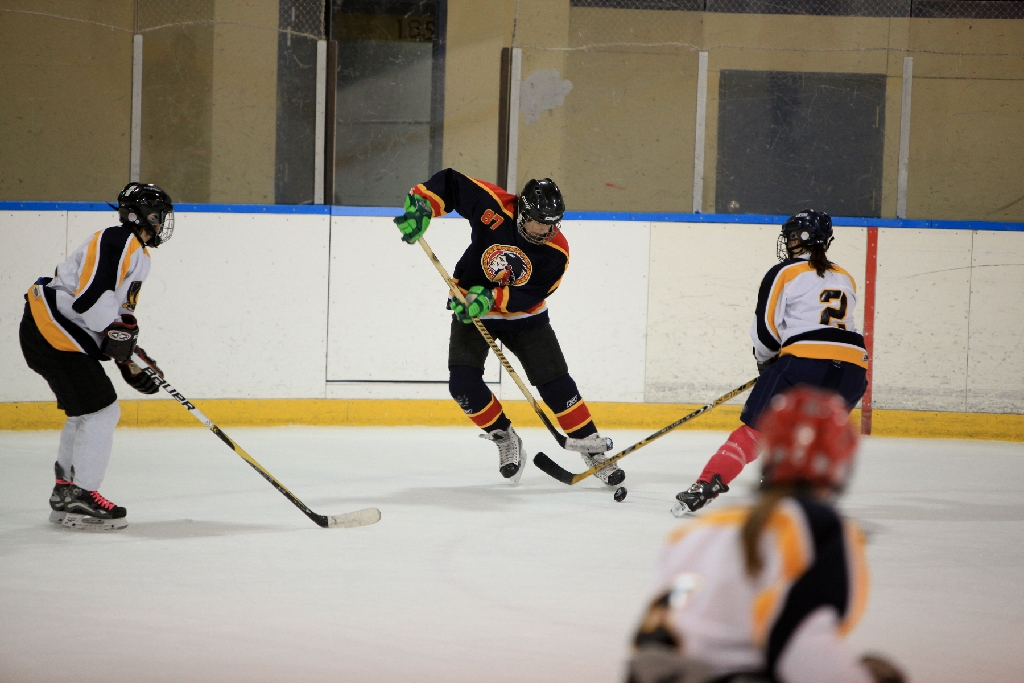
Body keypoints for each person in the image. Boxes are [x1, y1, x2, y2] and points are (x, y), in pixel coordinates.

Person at [627, 386, 905, 683]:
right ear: (842, 465)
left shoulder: (705, 526)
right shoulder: (819, 529)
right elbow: (804, 651)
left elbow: (656, 639)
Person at [393, 169, 622, 485]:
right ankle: (503, 435)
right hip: (469, 306)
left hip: (523, 316)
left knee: (556, 386)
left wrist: (490, 298)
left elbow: (534, 293)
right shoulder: (495, 206)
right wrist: (422, 206)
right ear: (522, 210)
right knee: (462, 385)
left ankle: (591, 448)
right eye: (537, 221)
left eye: (550, 224)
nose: (543, 230)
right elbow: (451, 184)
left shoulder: (557, 251)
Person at [673, 209, 869, 516]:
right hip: (854, 371)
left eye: (792, 236)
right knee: (812, 438)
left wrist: (768, 365)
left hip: (804, 363)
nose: (788, 242)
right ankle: (796, 497)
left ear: (805, 238)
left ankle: (706, 484)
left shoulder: (784, 272)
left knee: (754, 433)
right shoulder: (845, 276)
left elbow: (765, 331)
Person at [20, 182, 174, 530]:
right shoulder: (117, 240)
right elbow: (90, 299)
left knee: (86, 411)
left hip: (55, 330)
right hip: (51, 327)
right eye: (158, 215)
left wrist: (130, 356)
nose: (162, 223)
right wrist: (123, 351)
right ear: (142, 216)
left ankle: (67, 491)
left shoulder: (138, 254)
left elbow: (117, 316)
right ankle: (82, 495)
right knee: (102, 410)